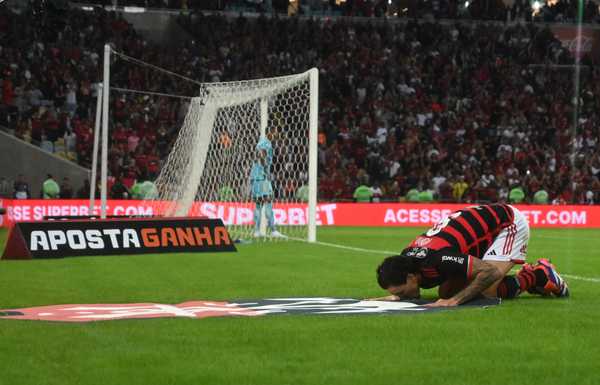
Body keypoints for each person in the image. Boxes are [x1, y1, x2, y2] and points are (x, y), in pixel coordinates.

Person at [372, 203, 569, 307]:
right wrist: (395, 298)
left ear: (411, 277)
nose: (400, 296)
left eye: (400, 292)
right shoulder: (408, 259)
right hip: (477, 230)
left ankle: (539, 275)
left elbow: (489, 272)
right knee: (447, 291)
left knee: (487, 290)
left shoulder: (438, 258)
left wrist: (454, 302)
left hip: (508, 224)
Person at [250, 137, 283, 238]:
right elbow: (265, 165)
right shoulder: (265, 157)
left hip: (255, 182)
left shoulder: (256, 158)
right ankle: (273, 230)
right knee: (268, 204)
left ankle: (256, 231)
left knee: (258, 206)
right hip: (263, 182)